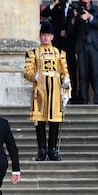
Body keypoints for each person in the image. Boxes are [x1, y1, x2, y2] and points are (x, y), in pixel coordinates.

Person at [24, 22, 71, 161]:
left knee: (55, 120)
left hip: (56, 90)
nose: (45, 38)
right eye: (43, 35)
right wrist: (34, 76)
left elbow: (65, 73)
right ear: (40, 36)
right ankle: (42, 150)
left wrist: (67, 89)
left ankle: (53, 150)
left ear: (52, 37)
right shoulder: (33, 53)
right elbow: (27, 72)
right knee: (40, 121)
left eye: (48, 35)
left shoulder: (59, 53)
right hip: (40, 91)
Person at [41, 0, 81, 103]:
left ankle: (71, 96)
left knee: (70, 70)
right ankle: (56, 95)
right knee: (56, 69)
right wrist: (55, 3)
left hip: (70, 45)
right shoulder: (55, 7)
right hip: (56, 45)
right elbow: (44, 14)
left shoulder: (74, 7)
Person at [68, 0, 98, 104]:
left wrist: (90, 17)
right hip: (81, 46)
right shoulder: (75, 10)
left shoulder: (96, 9)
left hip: (94, 46)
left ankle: (97, 99)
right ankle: (84, 100)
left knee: (95, 73)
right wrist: (74, 18)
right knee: (82, 75)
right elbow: (70, 31)